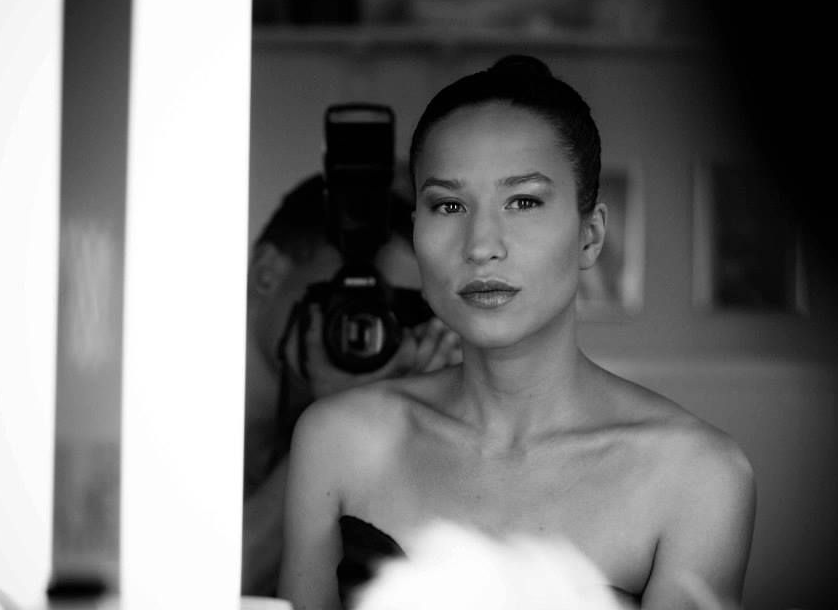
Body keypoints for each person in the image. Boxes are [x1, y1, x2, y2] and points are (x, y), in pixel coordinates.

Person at [278, 56, 756, 610]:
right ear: (416, 231)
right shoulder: (339, 441)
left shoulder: (696, 475)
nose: (481, 245)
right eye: (448, 205)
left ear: (590, 236)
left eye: (523, 201)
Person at [243, 173, 462, 596]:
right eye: (352, 300)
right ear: (267, 273)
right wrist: (341, 423)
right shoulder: (151, 409)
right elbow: (202, 587)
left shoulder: (384, 412)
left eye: (397, 311)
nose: (370, 330)